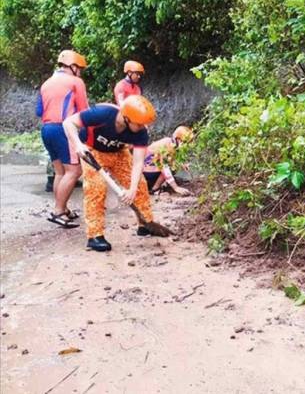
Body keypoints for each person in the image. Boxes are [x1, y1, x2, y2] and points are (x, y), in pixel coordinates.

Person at [63, 95, 158, 252]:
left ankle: (145, 224)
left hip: (119, 153)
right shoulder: (102, 114)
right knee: (96, 188)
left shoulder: (141, 133)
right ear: (127, 118)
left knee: (140, 185)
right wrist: (78, 145)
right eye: (140, 124)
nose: (143, 127)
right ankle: (95, 236)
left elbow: (138, 162)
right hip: (92, 151)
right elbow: (69, 123)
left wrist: (132, 189)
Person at [37, 49, 89, 228]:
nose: (80, 71)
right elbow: (84, 112)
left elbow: (39, 111)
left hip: (47, 129)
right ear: (72, 66)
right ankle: (58, 211)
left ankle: (62, 208)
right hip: (63, 129)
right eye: (79, 68)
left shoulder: (46, 83)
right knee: (74, 172)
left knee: (60, 172)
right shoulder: (76, 82)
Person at [143, 125, 193, 195]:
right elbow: (165, 168)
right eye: (185, 142)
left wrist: (182, 165)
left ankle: (155, 185)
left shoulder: (171, 143)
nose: (187, 146)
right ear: (178, 139)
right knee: (169, 167)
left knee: (172, 165)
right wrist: (176, 188)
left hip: (148, 170)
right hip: (145, 173)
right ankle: (155, 189)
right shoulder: (166, 145)